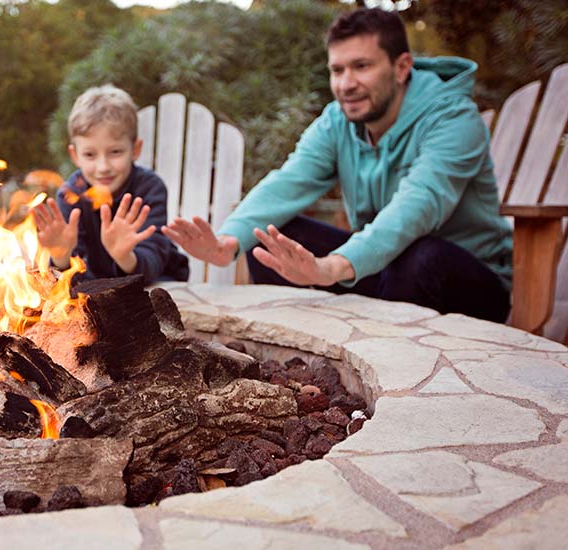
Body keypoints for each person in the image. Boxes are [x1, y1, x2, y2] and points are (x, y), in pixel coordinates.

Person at [162, 8, 512, 322]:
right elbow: (289, 181)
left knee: (421, 255)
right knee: (269, 238)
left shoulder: (454, 119)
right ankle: (298, 363)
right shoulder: (337, 122)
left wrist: (332, 266)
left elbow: (418, 205)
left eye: (362, 66)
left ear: (402, 67)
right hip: (385, 271)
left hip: (468, 284)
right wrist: (227, 243)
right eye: (337, 70)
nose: (346, 84)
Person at [33, 84, 189, 284]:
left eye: (115, 152)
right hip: (99, 291)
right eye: (90, 154)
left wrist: (124, 256)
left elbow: (154, 260)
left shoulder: (149, 188)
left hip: (156, 287)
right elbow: (70, 278)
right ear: (75, 155)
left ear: (135, 149)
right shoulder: (71, 195)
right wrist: (61, 256)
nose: (103, 167)